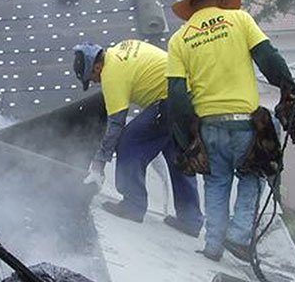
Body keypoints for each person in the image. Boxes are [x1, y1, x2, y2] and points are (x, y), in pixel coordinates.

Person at [166, 0, 295, 260]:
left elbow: (177, 95)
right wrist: (289, 89)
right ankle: (240, 236)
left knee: (216, 184)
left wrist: (188, 138)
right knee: (251, 174)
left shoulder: (179, 39)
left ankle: (213, 246)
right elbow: (269, 58)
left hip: (209, 127)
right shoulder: (239, 20)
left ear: (192, 5)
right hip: (245, 124)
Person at [73, 40, 203, 233]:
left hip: (168, 101)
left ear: (97, 67)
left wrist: (99, 163)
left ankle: (133, 205)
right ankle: (190, 220)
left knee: (128, 142)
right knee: (177, 153)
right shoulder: (123, 47)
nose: (94, 83)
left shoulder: (111, 74)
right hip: (188, 95)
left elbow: (116, 124)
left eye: (92, 78)